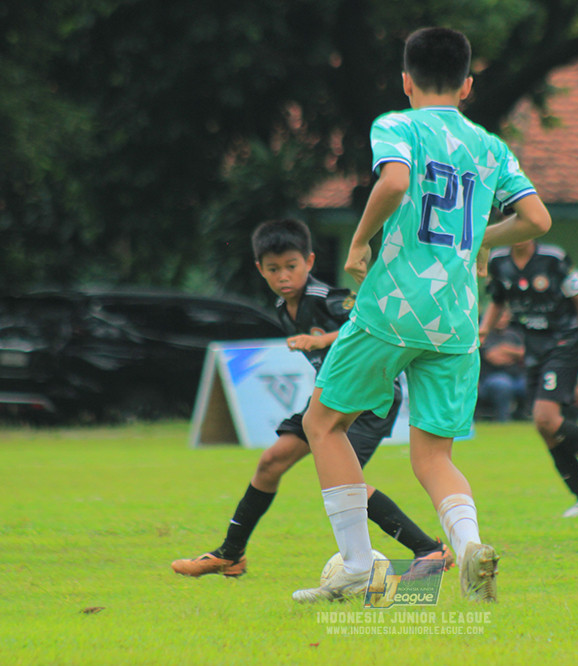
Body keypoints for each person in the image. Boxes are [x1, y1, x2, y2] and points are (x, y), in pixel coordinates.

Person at [292, 27, 551, 604]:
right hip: (456, 319)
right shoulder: (491, 148)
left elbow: (395, 181)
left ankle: (357, 565)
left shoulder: (398, 125)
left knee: (323, 424)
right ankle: (470, 548)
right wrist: (482, 239)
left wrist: (360, 240)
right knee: (434, 456)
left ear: (406, 81)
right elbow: (537, 219)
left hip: (391, 308)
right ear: (468, 85)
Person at [170, 219, 453, 579]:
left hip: (369, 399)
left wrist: (322, 339)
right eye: (273, 269)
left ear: (310, 261)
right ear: (260, 269)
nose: (283, 276)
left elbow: (372, 322)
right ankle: (231, 554)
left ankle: (430, 550)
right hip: (332, 399)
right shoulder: (282, 306)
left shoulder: (328, 298)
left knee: (345, 483)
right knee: (270, 463)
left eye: (291, 266)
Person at [481, 240, 578, 520]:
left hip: (565, 343)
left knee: (546, 417)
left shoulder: (554, 258)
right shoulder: (499, 261)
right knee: (546, 428)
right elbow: (498, 301)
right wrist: (482, 332)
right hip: (533, 349)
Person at [478, 307, 527, 422]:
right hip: (491, 377)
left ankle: (523, 415)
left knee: (528, 383)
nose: (502, 319)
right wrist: (514, 354)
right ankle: (503, 419)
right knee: (502, 384)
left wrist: (504, 349)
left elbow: (524, 353)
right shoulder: (485, 335)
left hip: (515, 376)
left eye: (504, 316)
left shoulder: (514, 334)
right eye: (498, 316)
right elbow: (493, 357)